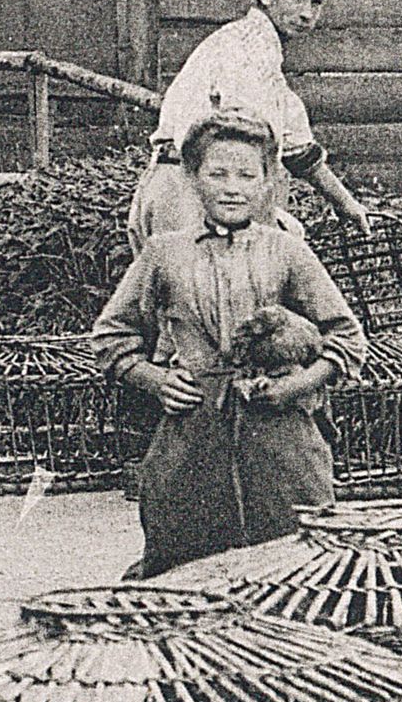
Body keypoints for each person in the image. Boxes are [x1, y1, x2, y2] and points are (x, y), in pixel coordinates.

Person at [92, 111, 370, 576]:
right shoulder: (165, 252)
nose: (232, 187)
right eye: (216, 173)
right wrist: (155, 380)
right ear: (192, 178)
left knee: (297, 568)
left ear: (268, 182)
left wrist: (297, 386)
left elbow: (346, 338)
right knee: (183, 568)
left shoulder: (288, 252)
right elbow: (112, 334)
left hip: (282, 439)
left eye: (247, 174)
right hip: (191, 435)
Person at [129, 0, 374, 246]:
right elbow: (240, 140)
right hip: (188, 196)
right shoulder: (244, 47)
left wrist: (345, 204)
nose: (307, 13)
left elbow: (297, 149)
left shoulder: (265, 55)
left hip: (188, 189)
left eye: (316, 3)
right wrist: (267, 221)